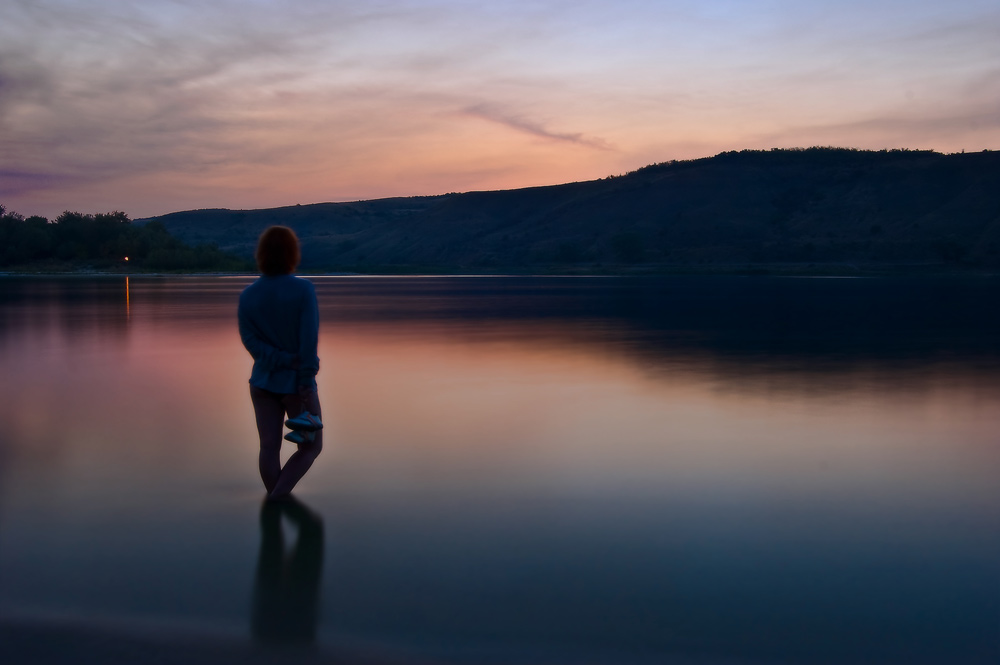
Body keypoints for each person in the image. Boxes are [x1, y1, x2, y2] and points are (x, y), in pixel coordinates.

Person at [238, 226, 322, 499]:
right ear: (292, 253)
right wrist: (305, 380)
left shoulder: (248, 295)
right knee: (311, 447)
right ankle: (277, 501)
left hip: (262, 381)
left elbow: (251, 343)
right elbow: (308, 341)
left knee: (268, 447)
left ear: (261, 254)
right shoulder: (302, 289)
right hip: (296, 383)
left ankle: (274, 504)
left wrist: (279, 359)